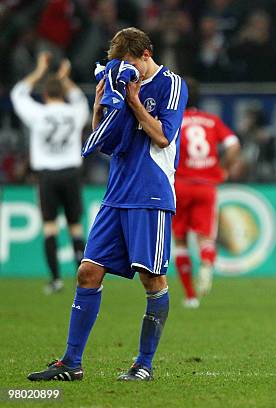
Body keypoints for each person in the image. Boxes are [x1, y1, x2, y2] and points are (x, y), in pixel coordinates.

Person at [27, 27, 188, 382]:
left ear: (146, 54)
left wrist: (133, 100)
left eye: (130, 64)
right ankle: (71, 362)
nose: (125, 71)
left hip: (151, 193)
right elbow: (105, 143)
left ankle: (143, 364)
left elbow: (162, 136)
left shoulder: (171, 84)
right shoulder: (118, 83)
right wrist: (101, 105)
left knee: (152, 278)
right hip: (116, 194)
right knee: (87, 272)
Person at [10, 52, 89, 294]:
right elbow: (80, 99)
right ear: (63, 93)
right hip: (71, 174)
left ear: (45, 95)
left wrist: (39, 71)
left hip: (47, 176)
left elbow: (18, 93)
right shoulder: (75, 111)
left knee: (50, 227)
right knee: (76, 227)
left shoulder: (38, 113)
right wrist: (64, 78)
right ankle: (84, 282)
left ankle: (55, 280)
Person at [173, 78, 240, 308]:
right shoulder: (212, 121)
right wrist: (224, 168)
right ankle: (207, 263)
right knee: (205, 237)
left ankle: (190, 296)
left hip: (180, 184)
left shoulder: (174, 120)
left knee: (180, 239)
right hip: (206, 185)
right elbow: (233, 143)